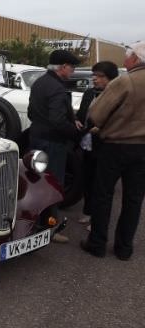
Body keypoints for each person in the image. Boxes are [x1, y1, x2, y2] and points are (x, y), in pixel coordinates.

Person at [81, 41, 145, 260]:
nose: (125, 59)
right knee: (134, 200)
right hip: (143, 150)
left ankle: (97, 243)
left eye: (127, 56)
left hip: (116, 146)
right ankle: (124, 248)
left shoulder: (124, 81)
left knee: (103, 195)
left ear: (135, 59)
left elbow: (96, 115)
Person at [28, 49, 81, 243]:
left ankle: (33, 223)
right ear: (63, 67)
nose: (73, 71)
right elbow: (57, 120)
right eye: (72, 67)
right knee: (53, 185)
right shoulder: (57, 88)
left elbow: (31, 112)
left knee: (36, 181)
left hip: (37, 137)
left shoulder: (40, 83)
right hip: (52, 142)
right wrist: (76, 132)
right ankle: (50, 227)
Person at [75, 61, 119, 229]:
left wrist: (100, 128)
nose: (95, 79)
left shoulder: (115, 95)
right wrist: (77, 120)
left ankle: (97, 220)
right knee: (86, 179)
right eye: (94, 75)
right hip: (85, 144)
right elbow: (81, 114)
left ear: (111, 79)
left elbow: (116, 120)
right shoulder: (88, 93)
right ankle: (87, 211)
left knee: (101, 185)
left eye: (100, 76)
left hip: (104, 145)